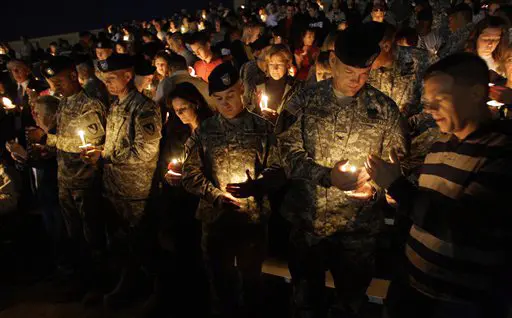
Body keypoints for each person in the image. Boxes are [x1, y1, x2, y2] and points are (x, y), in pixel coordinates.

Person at [275, 25, 409, 317]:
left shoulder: (384, 108)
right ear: (333, 62)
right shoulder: (303, 101)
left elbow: (397, 161)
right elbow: (285, 151)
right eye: (350, 72)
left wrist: (375, 187)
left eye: (364, 74)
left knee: (351, 301)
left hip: (357, 230)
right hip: (310, 224)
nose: (357, 81)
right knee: (305, 300)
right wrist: (326, 176)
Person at [367, 52, 512, 318]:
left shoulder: (500, 152)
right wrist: (398, 198)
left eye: (440, 100)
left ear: (476, 94)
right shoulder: (439, 146)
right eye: (427, 101)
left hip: (460, 303)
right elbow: (424, 211)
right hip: (412, 289)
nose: (430, 110)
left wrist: (400, 187)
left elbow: (465, 227)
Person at [182, 63, 282, 318]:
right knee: (220, 283)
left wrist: (257, 185)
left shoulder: (263, 128)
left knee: (252, 282)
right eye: (218, 99)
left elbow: (279, 168)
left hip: (252, 220)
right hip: (216, 220)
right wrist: (215, 195)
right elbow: (190, 174)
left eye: (230, 96)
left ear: (241, 90)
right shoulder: (204, 131)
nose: (225, 104)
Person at [81, 54, 162, 309]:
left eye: (112, 78)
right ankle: (127, 286)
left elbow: (144, 151)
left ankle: (158, 294)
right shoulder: (116, 105)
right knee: (124, 245)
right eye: (104, 79)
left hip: (137, 191)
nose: (107, 83)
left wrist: (104, 156)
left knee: (144, 245)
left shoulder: (144, 107)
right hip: (115, 189)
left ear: (128, 76)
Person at [25, 56, 107, 302]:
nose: (55, 87)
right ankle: (82, 280)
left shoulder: (89, 104)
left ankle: (100, 284)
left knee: (93, 237)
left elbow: (91, 145)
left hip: (86, 181)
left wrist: (48, 140)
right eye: (51, 82)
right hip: (66, 181)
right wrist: (46, 148)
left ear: (73, 75)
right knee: (75, 237)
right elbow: (62, 140)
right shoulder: (64, 104)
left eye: (58, 80)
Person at [368, 22, 429, 117]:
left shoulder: (422, 60)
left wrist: (407, 124)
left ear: (386, 46)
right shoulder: (366, 70)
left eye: (370, 51)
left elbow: (434, 106)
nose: (366, 57)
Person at [250, 44, 302, 122]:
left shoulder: (296, 87)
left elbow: (298, 116)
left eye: (279, 64)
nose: (275, 68)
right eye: (271, 64)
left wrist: (278, 119)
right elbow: (250, 113)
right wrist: (256, 107)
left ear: (288, 64)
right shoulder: (258, 85)